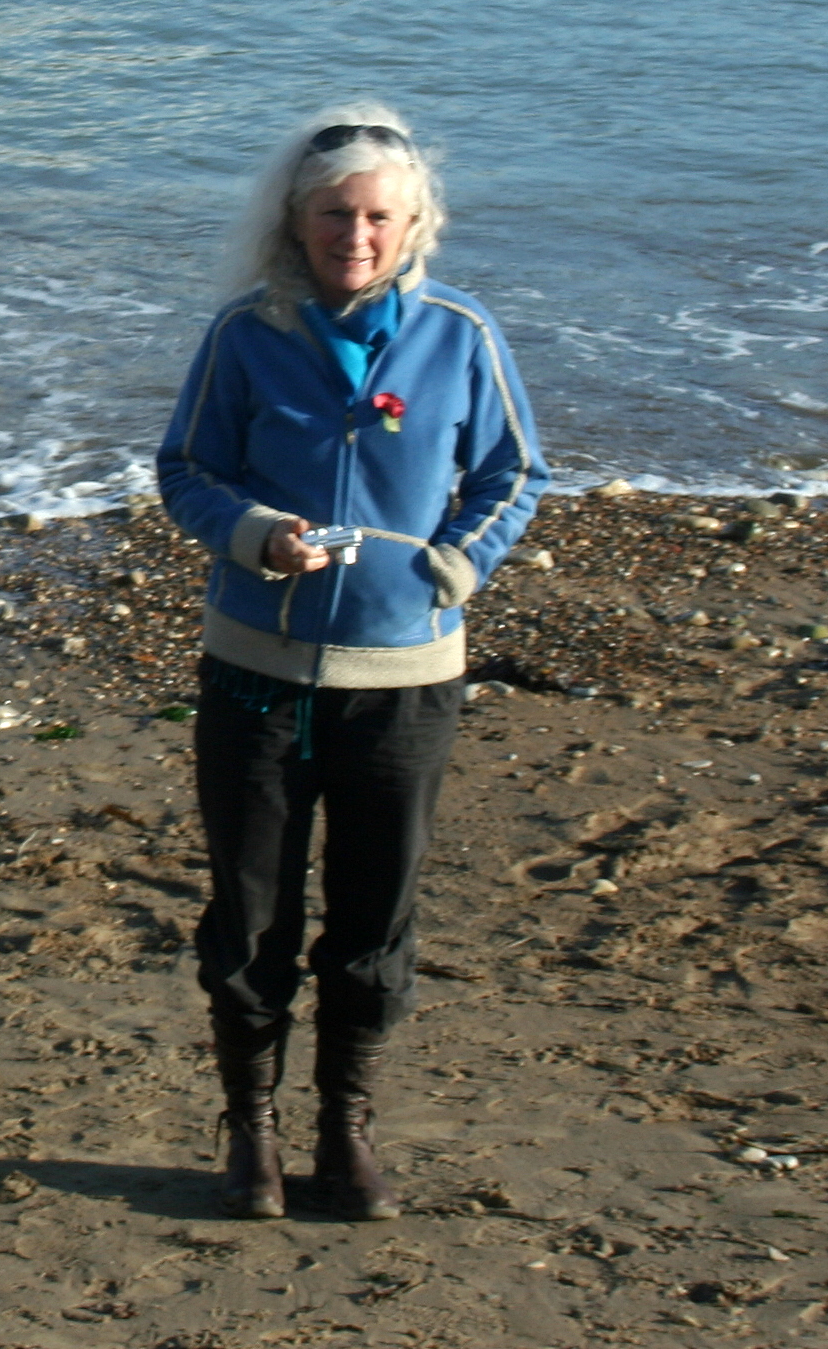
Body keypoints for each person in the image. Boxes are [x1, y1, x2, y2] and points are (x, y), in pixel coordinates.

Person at [155, 104, 546, 1221]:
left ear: (414, 223)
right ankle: (252, 1127)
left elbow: (514, 473)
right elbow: (185, 469)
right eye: (335, 214)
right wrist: (252, 534)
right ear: (295, 218)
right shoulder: (244, 333)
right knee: (251, 916)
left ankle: (346, 1124)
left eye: (378, 216)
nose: (355, 236)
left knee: (374, 918)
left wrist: (455, 565)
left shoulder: (461, 333)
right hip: (255, 671)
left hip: (404, 680)